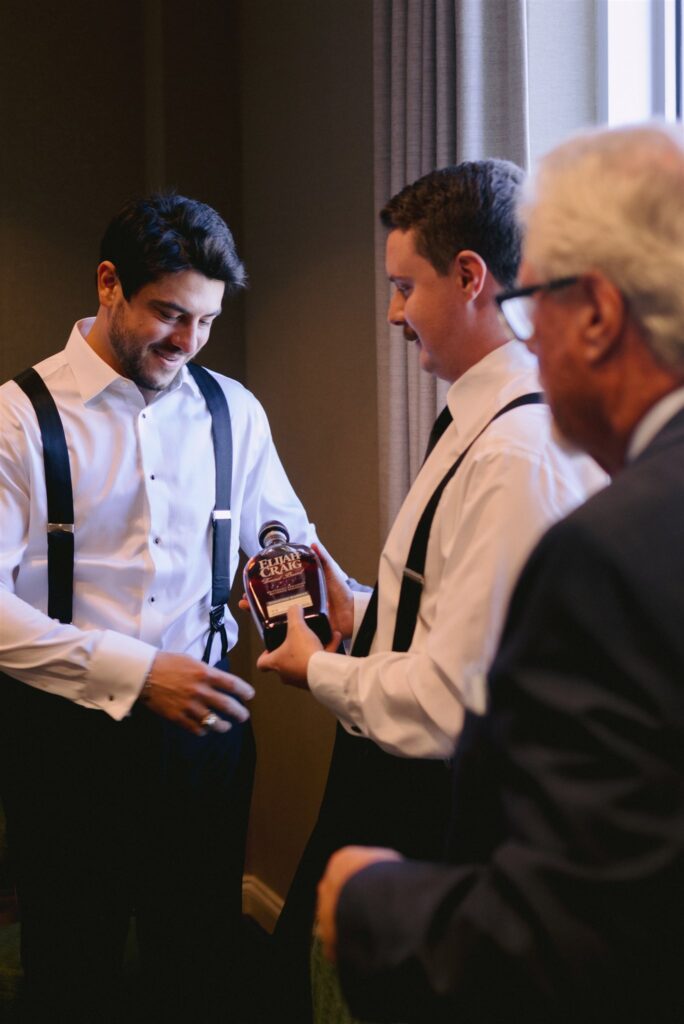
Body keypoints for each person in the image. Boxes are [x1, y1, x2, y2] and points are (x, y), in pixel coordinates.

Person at [317, 122, 684, 1024]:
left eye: (539, 298)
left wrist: (372, 902)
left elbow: (583, 927)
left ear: (595, 311)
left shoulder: (609, 546)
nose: (527, 333)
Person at [258, 160, 606, 1021]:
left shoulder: (514, 457)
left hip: (437, 809)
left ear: (470, 277)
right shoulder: (477, 419)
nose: (392, 313)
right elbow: (469, 615)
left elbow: (459, 695)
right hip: (399, 781)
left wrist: (317, 671)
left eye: (403, 286)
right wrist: (367, 611)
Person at [0, 193, 335, 1023]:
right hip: (64, 737)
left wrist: (304, 619)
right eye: (169, 315)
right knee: (71, 967)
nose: (189, 344)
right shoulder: (16, 419)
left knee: (198, 966)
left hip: (207, 735)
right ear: (109, 284)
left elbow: (277, 539)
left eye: (209, 322)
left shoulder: (233, 409)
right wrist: (140, 674)